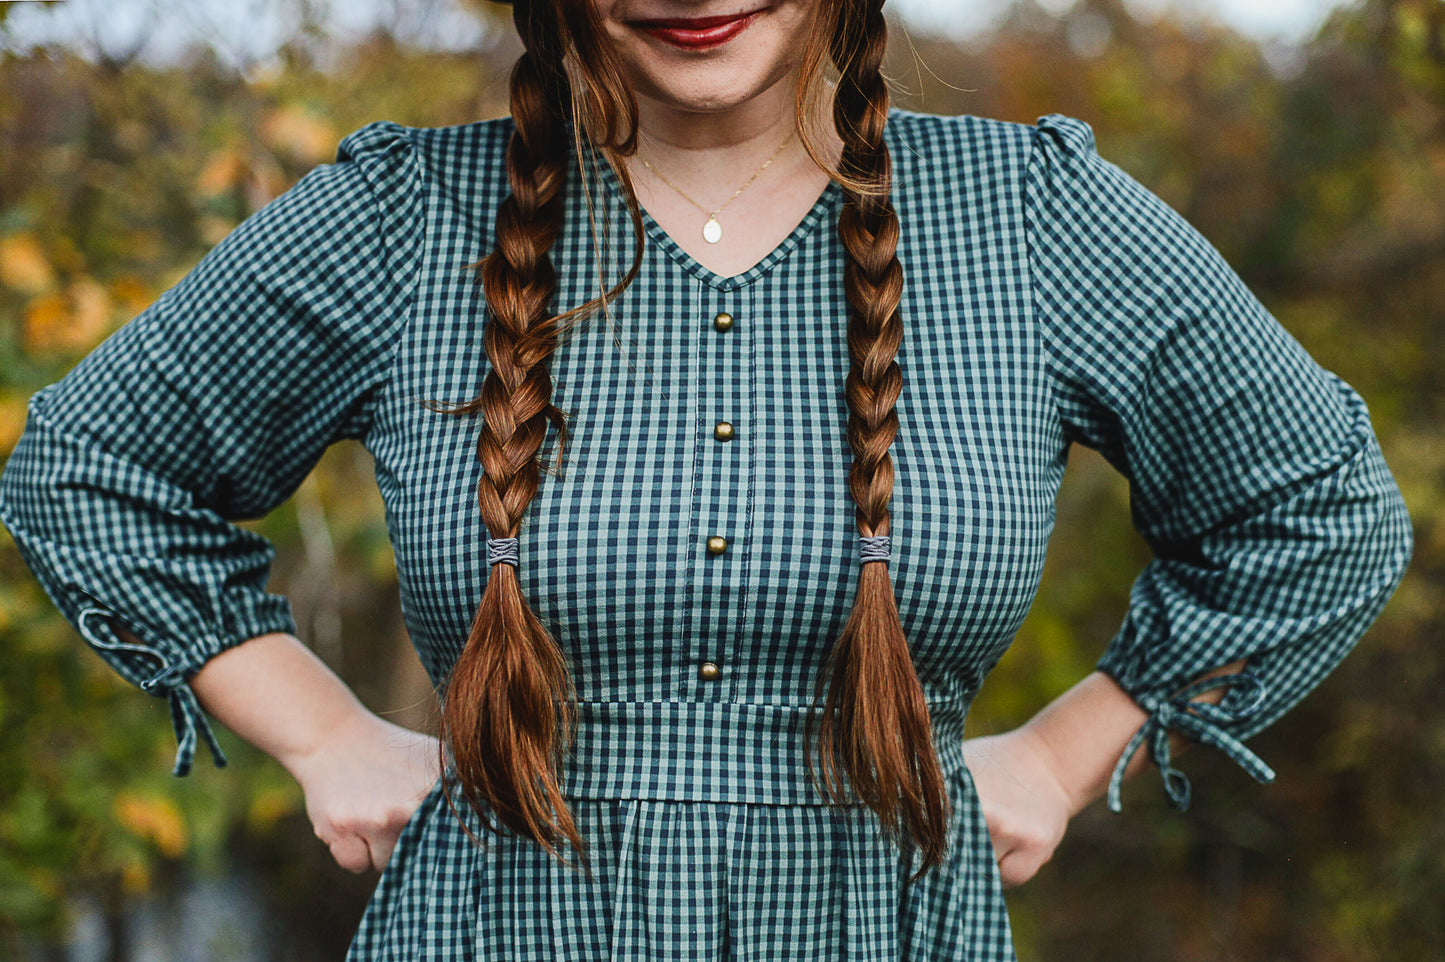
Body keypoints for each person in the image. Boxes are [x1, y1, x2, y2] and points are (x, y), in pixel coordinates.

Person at [0, 0, 1415, 957]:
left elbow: (1316, 508)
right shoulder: (403, 218)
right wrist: (318, 731)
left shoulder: (1031, 220)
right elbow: (92, 463)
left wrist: (1061, 749)